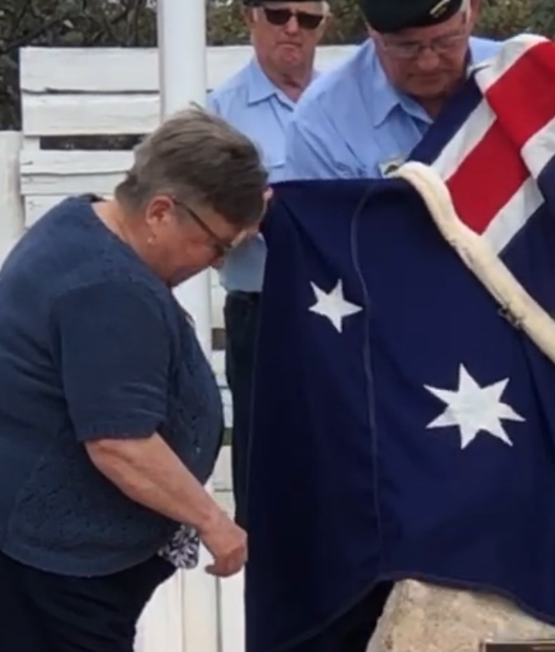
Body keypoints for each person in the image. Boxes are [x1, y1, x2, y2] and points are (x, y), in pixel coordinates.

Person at [0, 107, 268, 652]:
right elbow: (120, 442)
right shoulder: (109, 288)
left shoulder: (87, 220)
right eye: (216, 243)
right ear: (161, 211)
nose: (215, 261)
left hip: (29, 529)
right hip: (40, 546)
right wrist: (213, 522)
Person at [207, 0, 330, 530]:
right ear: (249, 17)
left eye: (309, 18)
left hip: (350, 311)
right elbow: (198, 219)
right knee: (269, 472)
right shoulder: (220, 115)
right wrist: (257, 213)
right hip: (265, 309)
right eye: (279, 13)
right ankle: (272, 600)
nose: (293, 28)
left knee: (349, 466)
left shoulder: (344, 102)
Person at [275, 0, 501, 181]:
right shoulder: (323, 124)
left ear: (472, 10)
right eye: (407, 47)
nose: (428, 62)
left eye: (446, 41)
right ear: (372, 32)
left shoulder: (517, 74)